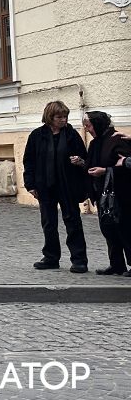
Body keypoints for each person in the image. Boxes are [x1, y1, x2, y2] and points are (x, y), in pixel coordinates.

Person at [22, 101, 88, 273]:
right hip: (45, 186)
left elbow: (84, 157)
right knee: (49, 223)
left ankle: (79, 260)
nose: (63, 120)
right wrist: (30, 184)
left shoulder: (72, 135)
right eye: (59, 117)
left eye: (65, 116)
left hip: (68, 185)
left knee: (73, 222)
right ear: (50, 117)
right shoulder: (37, 135)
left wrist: (79, 161)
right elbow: (29, 161)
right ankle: (51, 257)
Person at [82, 111, 131, 276]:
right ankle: (116, 264)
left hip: (122, 193)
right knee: (108, 229)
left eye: (89, 125)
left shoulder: (117, 140)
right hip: (103, 194)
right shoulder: (96, 143)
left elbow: (127, 166)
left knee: (125, 229)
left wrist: (106, 171)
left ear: (98, 124)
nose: (87, 129)